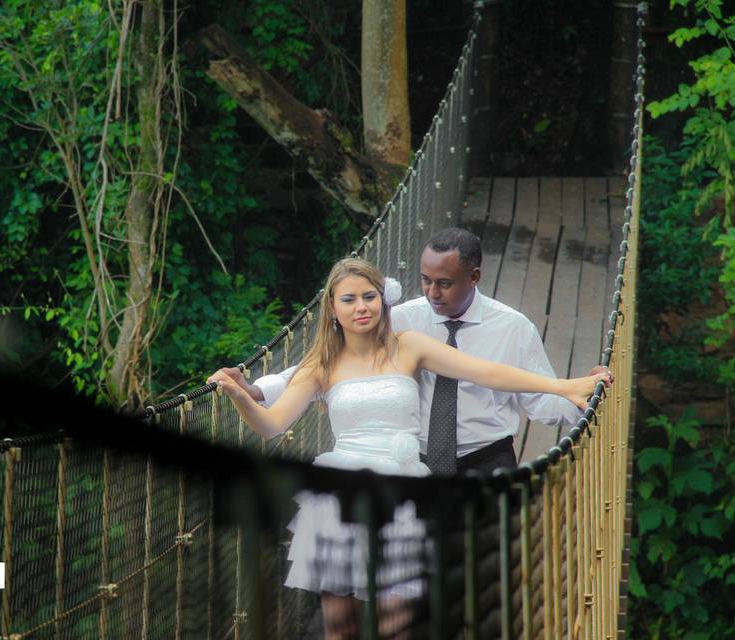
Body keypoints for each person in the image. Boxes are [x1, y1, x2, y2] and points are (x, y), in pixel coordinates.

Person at [207, 257, 607, 639]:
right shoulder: (320, 365)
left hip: (401, 491)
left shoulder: (409, 345)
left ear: (384, 300)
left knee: (397, 625)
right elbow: (271, 426)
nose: (361, 307)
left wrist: (562, 386)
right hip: (339, 497)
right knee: (339, 628)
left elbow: (486, 372)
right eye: (349, 299)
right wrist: (239, 396)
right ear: (332, 307)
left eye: (369, 296)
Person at [220, 227, 611, 474]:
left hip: (486, 458)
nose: (431, 293)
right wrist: (258, 390)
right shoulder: (399, 318)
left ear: (473, 278)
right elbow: (328, 360)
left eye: (444, 283)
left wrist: (577, 393)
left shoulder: (512, 327)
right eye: (425, 281)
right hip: (416, 458)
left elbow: (523, 391)